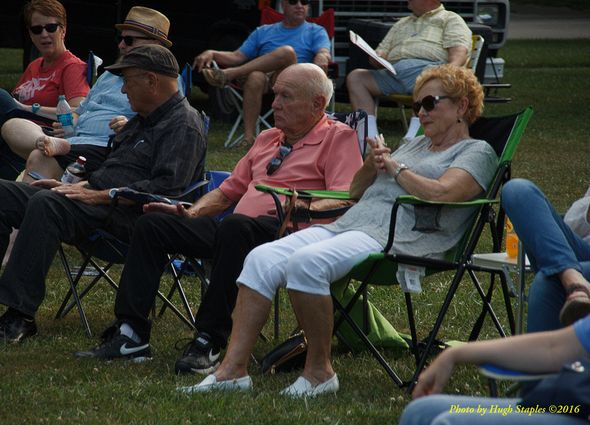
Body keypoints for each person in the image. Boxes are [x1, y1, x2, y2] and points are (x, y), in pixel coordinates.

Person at [179, 64, 498, 396]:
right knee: (260, 258)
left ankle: (320, 373)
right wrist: (372, 163)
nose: (421, 112)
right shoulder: (415, 147)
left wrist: (396, 168)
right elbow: (354, 192)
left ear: (462, 106)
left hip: (400, 237)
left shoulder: (477, 152)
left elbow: (443, 193)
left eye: (429, 103)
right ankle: (232, 371)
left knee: (306, 263)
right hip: (353, 224)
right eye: (417, 105)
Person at [74, 63, 363, 365]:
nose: (274, 104)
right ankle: (130, 334)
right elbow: (228, 192)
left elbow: (346, 196)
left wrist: (302, 206)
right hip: (235, 233)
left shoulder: (337, 138)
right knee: (152, 225)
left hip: (289, 234)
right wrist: (191, 211)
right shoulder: (268, 139)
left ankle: (208, 339)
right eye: (274, 95)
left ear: (318, 103)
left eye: (285, 97)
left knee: (236, 226)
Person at [0, 45, 207, 345]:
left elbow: (164, 192)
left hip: (132, 219)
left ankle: (19, 314)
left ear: (152, 81)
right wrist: (73, 172)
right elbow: (109, 163)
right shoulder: (142, 119)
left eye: (128, 81)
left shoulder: (183, 125)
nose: (123, 90)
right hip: (94, 200)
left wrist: (93, 195)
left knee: (48, 204)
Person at [0, 0, 90, 239]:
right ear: (30, 34)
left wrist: (28, 107)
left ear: (63, 29)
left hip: (34, 149)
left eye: (51, 27)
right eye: (37, 29)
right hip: (2, 141)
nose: (44, 34)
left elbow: (77, 113)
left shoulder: (73, 67)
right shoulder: (34, 66)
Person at [0, 6, 173, 183]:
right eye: (120, 39)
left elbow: (167, 127)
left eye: (129, 40)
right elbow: (80, 111)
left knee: (39, 159)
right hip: (73, 139)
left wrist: (131, 127)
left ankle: (32, 187)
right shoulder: (108, 76)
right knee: (11, 126)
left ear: (155, 45)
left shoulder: (164, 81)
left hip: (105, 147)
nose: (121, 45)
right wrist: (70, 121)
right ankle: (47, 144)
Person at [398, 315, 590, 425]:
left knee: (451, 422)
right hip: (571, 406)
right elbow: (555, 348)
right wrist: (454, 355)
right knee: (420, 412)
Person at [193, 0, 330, 147]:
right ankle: (249, 136)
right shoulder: (264, 31)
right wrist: (212, 52)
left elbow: (323, 52)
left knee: (287, 52)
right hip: (267, 78)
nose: (299, 5)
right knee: (255, 77)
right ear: (283, 5)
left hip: (297, 79)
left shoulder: (316, 31)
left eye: (304, 2)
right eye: (292, 1)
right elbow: (237, 56)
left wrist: (322, 56)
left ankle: (228, 74)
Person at [346, 0, 471, 139]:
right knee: (356, 77)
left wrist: (445, 74)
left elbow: (459, 53)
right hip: (394, 73)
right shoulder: (401, 23)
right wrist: (377, 57)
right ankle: (369, 138)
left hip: (429, 72)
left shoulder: (450, 18)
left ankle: (412, 139)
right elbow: (382, 51)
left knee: (429, 78)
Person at [501, 179, 590, 332]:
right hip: (582, 251)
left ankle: (568, 277)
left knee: (548, 281)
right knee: (517, 190)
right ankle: (571, 276)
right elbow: (572, 224)